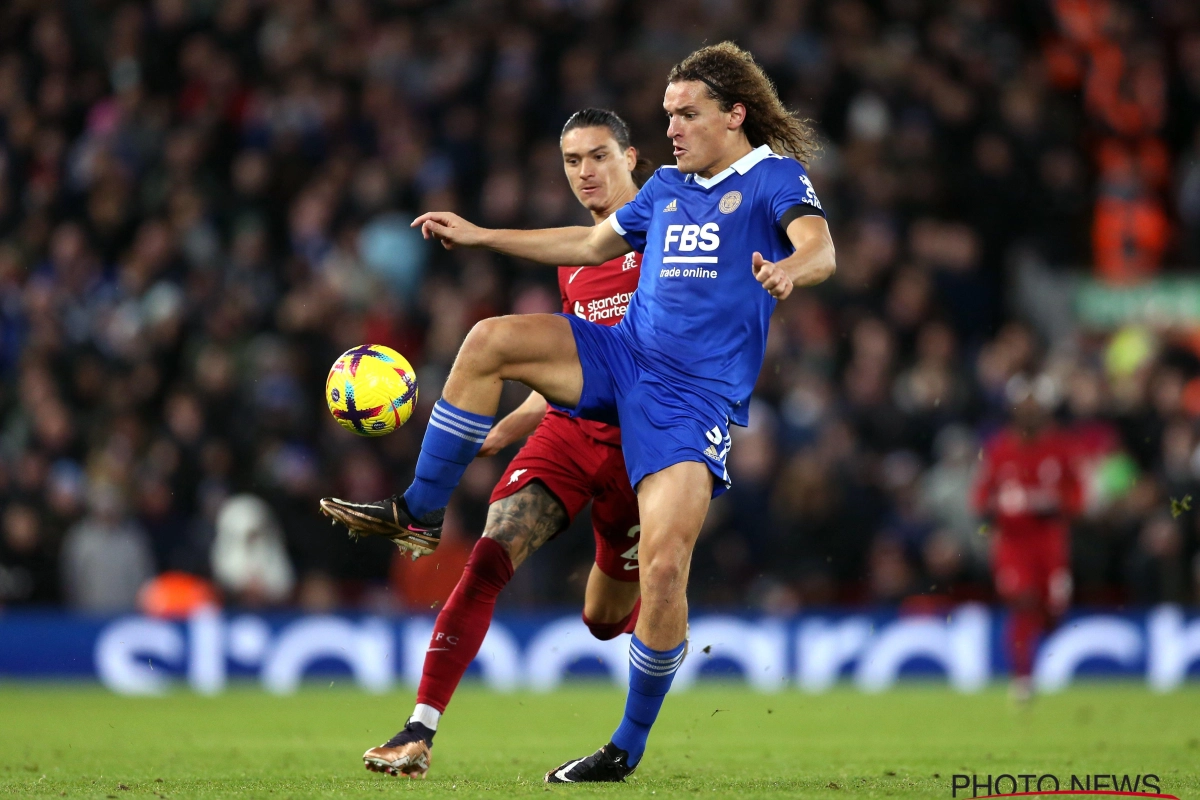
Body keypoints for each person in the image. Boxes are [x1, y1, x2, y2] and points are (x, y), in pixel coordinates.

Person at [321, 42, 836, 782]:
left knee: (642, 588)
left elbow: (820, 247)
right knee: (490, 338)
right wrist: (481, 235)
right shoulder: (664, 189)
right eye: (668, 116)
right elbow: (590, 241)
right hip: (619, 365)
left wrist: (789, 270)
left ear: (734, 114)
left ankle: (625, 744)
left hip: (684, 405)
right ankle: (420, 512)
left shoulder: (772, 179)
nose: (675, 129)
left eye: (686, 114)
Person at [347, 109, 648, 779]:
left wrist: (483, 236)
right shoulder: (574, 265)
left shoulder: (668, 233)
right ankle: (418, 730)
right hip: (570, 438)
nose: (586, 172)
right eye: (572, 161)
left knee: (604, 619)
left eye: (599, 156)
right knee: (485, 559)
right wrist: (503, 430)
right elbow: (569, 366)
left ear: (633, 156)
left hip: (643, 454)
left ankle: (654, 643)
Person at [972, 373, 1083, 702]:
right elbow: (979, 500)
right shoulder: (998, 450)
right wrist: (999, 507)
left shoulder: (1062, 448)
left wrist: (1052, 504)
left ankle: (1037, 654)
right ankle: (1022, 679)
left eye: (1036, 406)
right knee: (1022, 600)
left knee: (1051, 612)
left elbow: (1078, 497)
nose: (1030, 413)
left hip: (1050, 542)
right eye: (1025, 406)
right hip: (1013, 543)